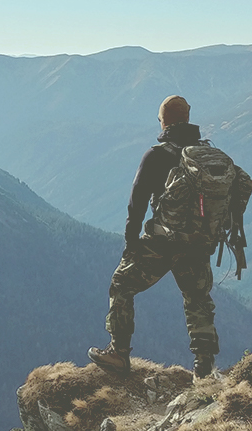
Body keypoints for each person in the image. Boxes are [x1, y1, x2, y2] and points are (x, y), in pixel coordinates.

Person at [88, 94, 220, 379]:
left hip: (162, 241)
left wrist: (131, 243)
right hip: (196, 243)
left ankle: (119, 353)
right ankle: (204, 366)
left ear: (164, 121)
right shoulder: (206, 156)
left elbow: (137, 202)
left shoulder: (156, 155)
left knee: (121, 283)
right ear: (187, 118)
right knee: (197, 298)